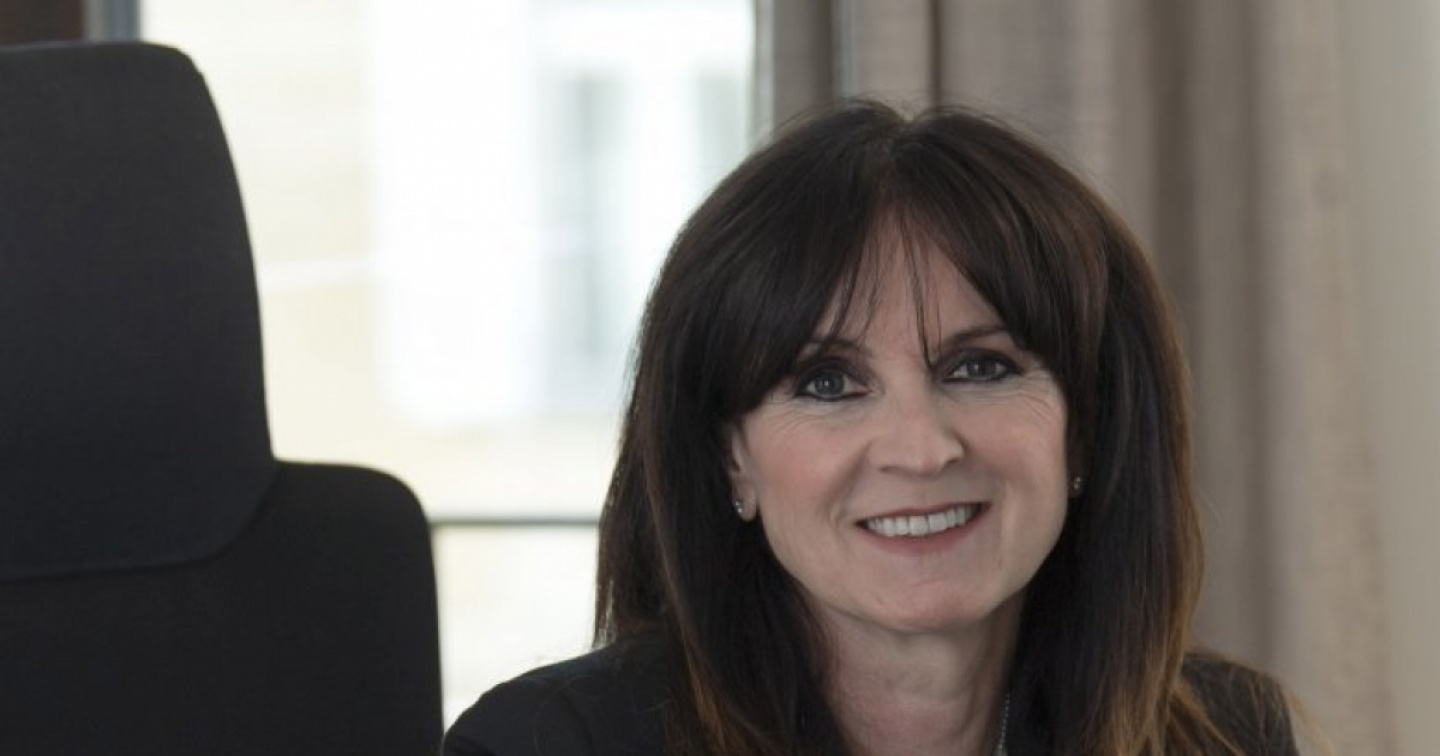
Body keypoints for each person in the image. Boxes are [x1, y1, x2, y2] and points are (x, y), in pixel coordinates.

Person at [443, 100, 1302, 755]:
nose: (921, 450)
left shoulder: (1224, 736)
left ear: (1086, 430)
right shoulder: (550, 744)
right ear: (731, 457)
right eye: (827, 383)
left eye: (981, 368)